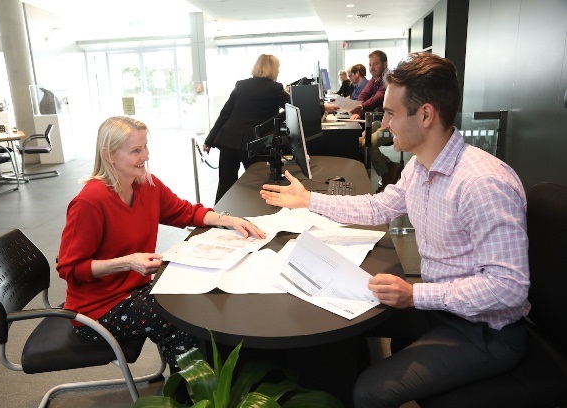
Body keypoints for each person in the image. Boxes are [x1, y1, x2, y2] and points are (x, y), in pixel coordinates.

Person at [259, 53, 530, 408]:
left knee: (370, 392)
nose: (384, 124)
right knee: (333, 332)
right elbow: (378, 207)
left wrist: (414, 296)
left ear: (426, 115)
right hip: (441, 307)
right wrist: (307, 200)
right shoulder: (420, 167)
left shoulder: (482, 184)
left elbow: (508, 287)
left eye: (390, 113)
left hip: (486, 332)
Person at [57, 116, 265, 374]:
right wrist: (127, 262)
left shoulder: (146, 184)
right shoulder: (90, 202)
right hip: (98, 309)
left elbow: (185, 212)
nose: (145, 156)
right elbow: (70, 268)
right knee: (181, 317)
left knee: (199, 300)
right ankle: (196, 392)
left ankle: (205, 384)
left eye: (145, 147)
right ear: (108, 155)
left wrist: (229, 220)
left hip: (136, 289)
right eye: (135, 150)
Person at [203, 54, 291, 203]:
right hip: (254, 142)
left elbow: (225, 113)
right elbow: (293, 107)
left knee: (225, 183)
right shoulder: (275, 88)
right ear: (273, 69)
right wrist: (322, 107)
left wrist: (209, 140)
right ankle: (258, 216)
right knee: (258, 184)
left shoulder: (241, 85)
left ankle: (218, 219)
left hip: (229, 140)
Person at [352, 50, 399, 191]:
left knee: (368, 143)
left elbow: (377, 98)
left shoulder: (389, 79)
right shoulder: (374, 79)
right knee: (360, 142)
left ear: (385, 64)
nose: (371, 68)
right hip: (379, 121)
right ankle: (391, 166)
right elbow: (364, 95)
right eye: (370, 65)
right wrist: (357, 106)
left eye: (376, 64)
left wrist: (360, 107)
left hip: (393, 128)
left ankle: (386, 174)